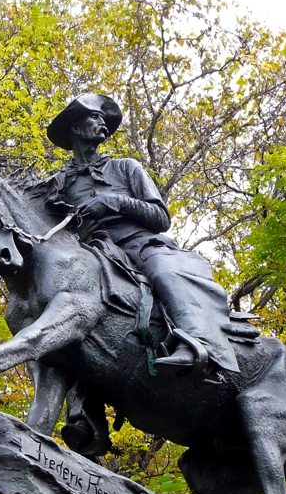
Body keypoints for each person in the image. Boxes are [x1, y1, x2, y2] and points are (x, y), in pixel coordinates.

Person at [40, 93, 239, 375]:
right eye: (94, 118)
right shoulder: (58, 184)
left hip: (141, 245)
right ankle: (83, 409)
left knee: (163, 272)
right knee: (67, 312)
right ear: (75, 128)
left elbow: (161, 218)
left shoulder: (126, 167)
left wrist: (115, 202)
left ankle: (197, 342)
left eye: (103, 119)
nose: (102, 124)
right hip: (93, 255)